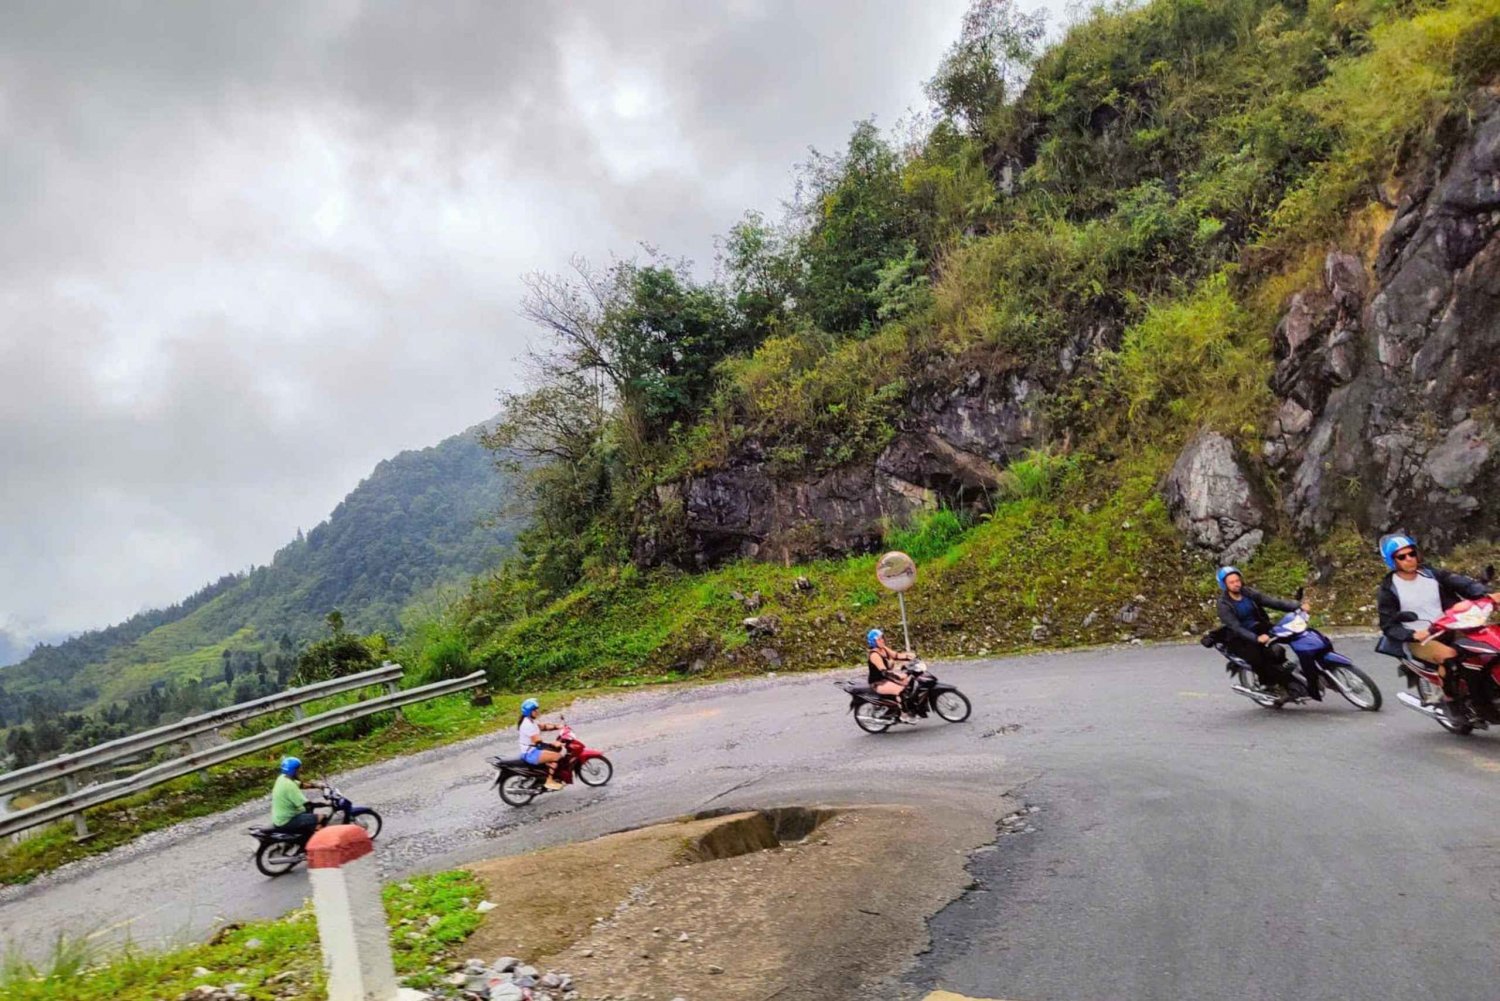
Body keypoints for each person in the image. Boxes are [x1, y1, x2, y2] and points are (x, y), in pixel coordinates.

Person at [1376, 533, 1494, 720]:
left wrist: (1486, 595)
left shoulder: (1431, 574)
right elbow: (1388, 625)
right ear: (1392, 561)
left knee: (1489, 645)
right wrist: (1413, 634)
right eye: (1402, 556)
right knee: (1449, 657)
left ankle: (1487, 692)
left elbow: (1463, 584)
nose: (1409, 559)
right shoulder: (1388, 590)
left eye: (1412, 554)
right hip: (1422, 638)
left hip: (1451, 626)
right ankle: (1451, 702)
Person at [1215, 566, 1310, 696]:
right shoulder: (1223, 604)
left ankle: (1296, 668)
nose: (1236, 584)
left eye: (1237, 580)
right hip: (1240, 637)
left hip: (1259, 627)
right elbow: (1235, 627)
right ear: (1224, 585)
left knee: (1287, 637)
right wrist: (1256, 638)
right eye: (1231, 582)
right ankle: (1268, 684)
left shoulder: (1248, 593)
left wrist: (1297, 606)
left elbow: (1272, 602)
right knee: (1261, 656)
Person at [866, 628, 918, 724]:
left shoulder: (883, 649)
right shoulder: (874, 655)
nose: (882, 640)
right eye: (879, 639)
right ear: (873, 642)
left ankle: (908, 707)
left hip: (886, 678)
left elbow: (896, 655)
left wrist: (909, 656)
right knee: (901, 690)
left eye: (882, 638)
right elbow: (884, 672)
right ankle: (904, 715)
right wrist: (899, 677)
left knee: (909, 681)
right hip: (878, 682)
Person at [270, 756, 323, 847]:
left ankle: (306, 838)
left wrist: (317, 785)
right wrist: (327, 804)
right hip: (287, 820)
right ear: (293, 771)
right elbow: (307, 805)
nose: (300, 772)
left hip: (279, 817)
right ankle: (319, 843)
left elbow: (301, 785)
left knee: (307, 815)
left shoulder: (282, 778)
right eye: (298, 770)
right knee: (321, 817)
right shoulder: (290, 786)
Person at [517, 698, 566, 790]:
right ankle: (549, 781)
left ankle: (547, 774)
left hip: (533, 750)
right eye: (535, 710)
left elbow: (543, 727)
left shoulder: (530, 720)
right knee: (557, 756)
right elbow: (539, 744)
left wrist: (558, 726)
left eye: (537, 709)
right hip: (531, 754)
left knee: (554, 750)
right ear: (529, 712)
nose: (537, 711)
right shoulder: (527, 725)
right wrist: (553, 744)